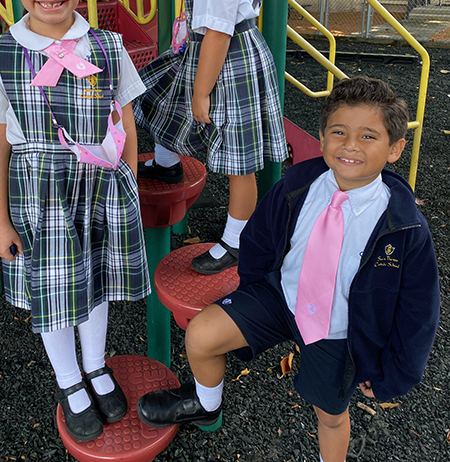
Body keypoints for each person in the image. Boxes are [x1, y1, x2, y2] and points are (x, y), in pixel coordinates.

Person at [136, 77, 440, 462]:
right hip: (282, 297)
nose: (349, 145)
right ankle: (205, 401)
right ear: (322, 136)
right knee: (201, 334)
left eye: (368, 137)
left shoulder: (405, 228)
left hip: (338, 328)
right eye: (339, 132)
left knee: (330, 415)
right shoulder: (296, 186)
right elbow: (260, 239)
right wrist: (251, 288)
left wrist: (394, 372)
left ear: (395, 149)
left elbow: (419, 310)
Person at [0, 0, 150, 443]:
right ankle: (69, 380)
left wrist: (128, 184)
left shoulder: (108, 46)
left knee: (94, 284)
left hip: (100, 191)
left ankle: (94, 366)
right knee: (53, 291)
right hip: (41, 197)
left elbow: (125, 122)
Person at [134, 0, 287, 274]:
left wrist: (202, 90)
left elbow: (218, 30)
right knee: (159, 92)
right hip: (217, 50)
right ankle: (166, 166)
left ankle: (237, 241)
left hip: (227, 57)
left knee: (240, 162)